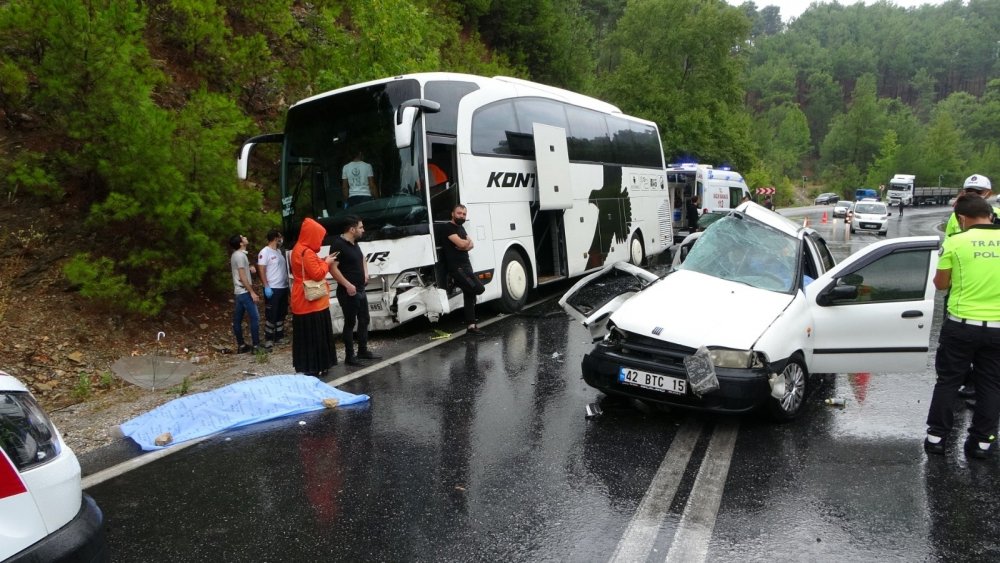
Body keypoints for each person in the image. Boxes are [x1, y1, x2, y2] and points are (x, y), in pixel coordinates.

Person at [923, 194, 1000, 459]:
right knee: (990, 383)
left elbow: (941, 284)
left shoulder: (955, 242)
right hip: (998, 328)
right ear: (990, 215)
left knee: (948, 381)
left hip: (961, 325)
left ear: (962, 219)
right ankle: (982, 442)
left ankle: (937, 438)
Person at [943, 175, 999, 398]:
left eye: (978, 191)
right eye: (969, 190)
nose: (973, 194)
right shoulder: (954, 218)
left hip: (973, 300)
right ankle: (969, 384)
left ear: (989, 193)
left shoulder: (984, 215)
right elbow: (947, 248)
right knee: (989, 377)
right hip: (966, 294)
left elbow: (949, 254)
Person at [329, 215, 381, 366]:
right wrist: (347, 285)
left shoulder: (354, 244)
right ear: (352, 229)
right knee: (350, 323)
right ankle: (349, 356)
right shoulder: (338, 244)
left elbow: (362, 258)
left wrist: (365, 272)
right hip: (348, 292)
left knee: (364, 319)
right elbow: (332, 268)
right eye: (360, 227)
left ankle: (363, 351)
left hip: (360, 289)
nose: (363, 230)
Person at [290, 217, 339, 376]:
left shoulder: (297, 248)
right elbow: (317, 274)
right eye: (319, 237)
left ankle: (307, 365)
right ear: (312, 235)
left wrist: (324, 260)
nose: (321, 240)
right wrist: (328, 262)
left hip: (300, 298)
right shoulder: (307, 252)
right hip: (311, 301)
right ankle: (319, 364)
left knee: (305, 336)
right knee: (316, 335)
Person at [442, 204, 485, 333]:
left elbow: (471, 245)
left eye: (464, 214)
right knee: (478, 288)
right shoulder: (448, 228)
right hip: (458, 268)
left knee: (469, 294)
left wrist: (464, 245)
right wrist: (464, 245)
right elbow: (463, 243)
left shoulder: (461, 228)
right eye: (459, 213)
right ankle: (456, 281)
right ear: (453, 214)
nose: (462, 216)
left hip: (466, 265)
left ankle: (471, 326)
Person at [257, 228, 289, 348]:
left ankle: (279, 336)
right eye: (280, 237)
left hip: (283, 287)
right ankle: (269, 338)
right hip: (273, 288)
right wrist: (266, 286)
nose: (281, 239)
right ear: (276, 238)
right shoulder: (265, 252)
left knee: (281, 312)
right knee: (271, 314)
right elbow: (261, 269)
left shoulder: (279, 252)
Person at [229, 234, 260, 353]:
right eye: (243, 237)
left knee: (237, 320)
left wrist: (250, 268)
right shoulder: (240, 256)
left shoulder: (236, 255)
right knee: (255, 318)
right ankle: (256, 346)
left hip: (238, 292)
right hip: (244, 291)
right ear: (241, 243)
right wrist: (252, 292)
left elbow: (241, 271)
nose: (245, 237)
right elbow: (242, 276)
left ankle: (241, 345)